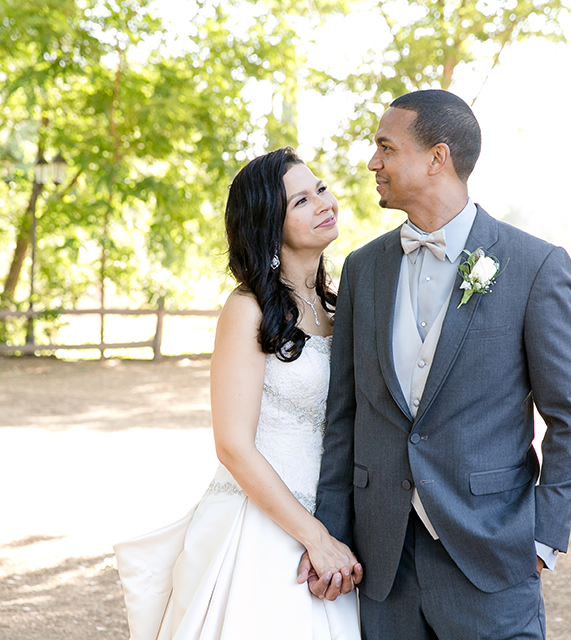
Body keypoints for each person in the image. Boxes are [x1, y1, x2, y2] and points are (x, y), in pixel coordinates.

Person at [299, 90, 571, 638]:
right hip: (382, 564)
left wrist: (542, 537)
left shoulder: (535, 266)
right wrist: (331, 536)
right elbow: (344, 418)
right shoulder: (363, 269)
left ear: (438, 158)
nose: (372, 163)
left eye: (386, 148)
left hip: (492, 558)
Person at [113, 147, 362, 639]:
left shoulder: (341, 308)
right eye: (301, 202)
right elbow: (231, 444)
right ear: (269, 225)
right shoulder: (247, 310)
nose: (323, 203)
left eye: (321, 190)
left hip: (333, 514)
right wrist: (314, 539)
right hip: (266, 527)